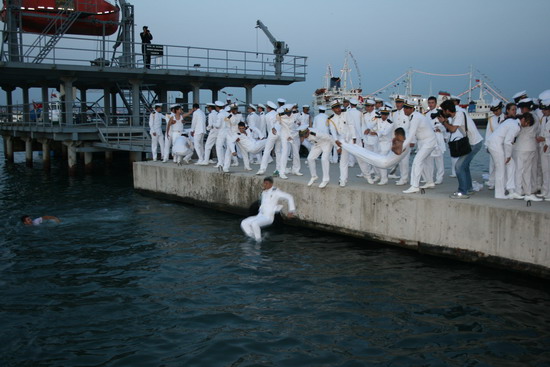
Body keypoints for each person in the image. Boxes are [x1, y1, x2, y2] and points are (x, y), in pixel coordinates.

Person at [440, 99, 484, 199]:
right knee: (465, 166)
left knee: (458, 167)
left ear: (447, 110)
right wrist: (446, 121)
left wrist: (443, 122)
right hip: (473, 143)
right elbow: (452, 127)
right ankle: (469, 188)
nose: (443, 112)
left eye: (443, 110)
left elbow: (452, 129)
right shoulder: (457, 115)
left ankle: (462, 192)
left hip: (474, 143)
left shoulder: (459, 115)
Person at [240, 176, 296, 242]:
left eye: (267, 183)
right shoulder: (264, 192)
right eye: (264, 183)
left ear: (271, 184)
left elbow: (289, 197)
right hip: (260, 215)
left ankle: (258, 241)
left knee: (254, 224)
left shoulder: (276, 192)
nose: (265, 185)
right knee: (244, 223)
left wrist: (291, 211)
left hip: (268, 217)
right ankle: (253, 237)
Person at [401, 99, 437, 194]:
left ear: (412, 109)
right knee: (426, 162)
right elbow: (412, 134)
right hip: (423, 141)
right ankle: (430, 182)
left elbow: (411, 135)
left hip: (428, 141)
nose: (405, 110)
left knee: (417, 162)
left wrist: (401, 147)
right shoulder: (413, 117)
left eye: (407, 108)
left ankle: (415, 186)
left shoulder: (416, 117)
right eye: (404, 108)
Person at [335, 127, 408, 169]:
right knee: (362, 151)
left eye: (395, 135)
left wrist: (393, 144)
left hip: (384, 162)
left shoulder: (402, 143)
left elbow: (398, 152)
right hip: (384, 159)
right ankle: (344, 145)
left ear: (398, 134)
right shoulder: (405, 142)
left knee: (361, 153)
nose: (395, 137)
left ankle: (342, 144)